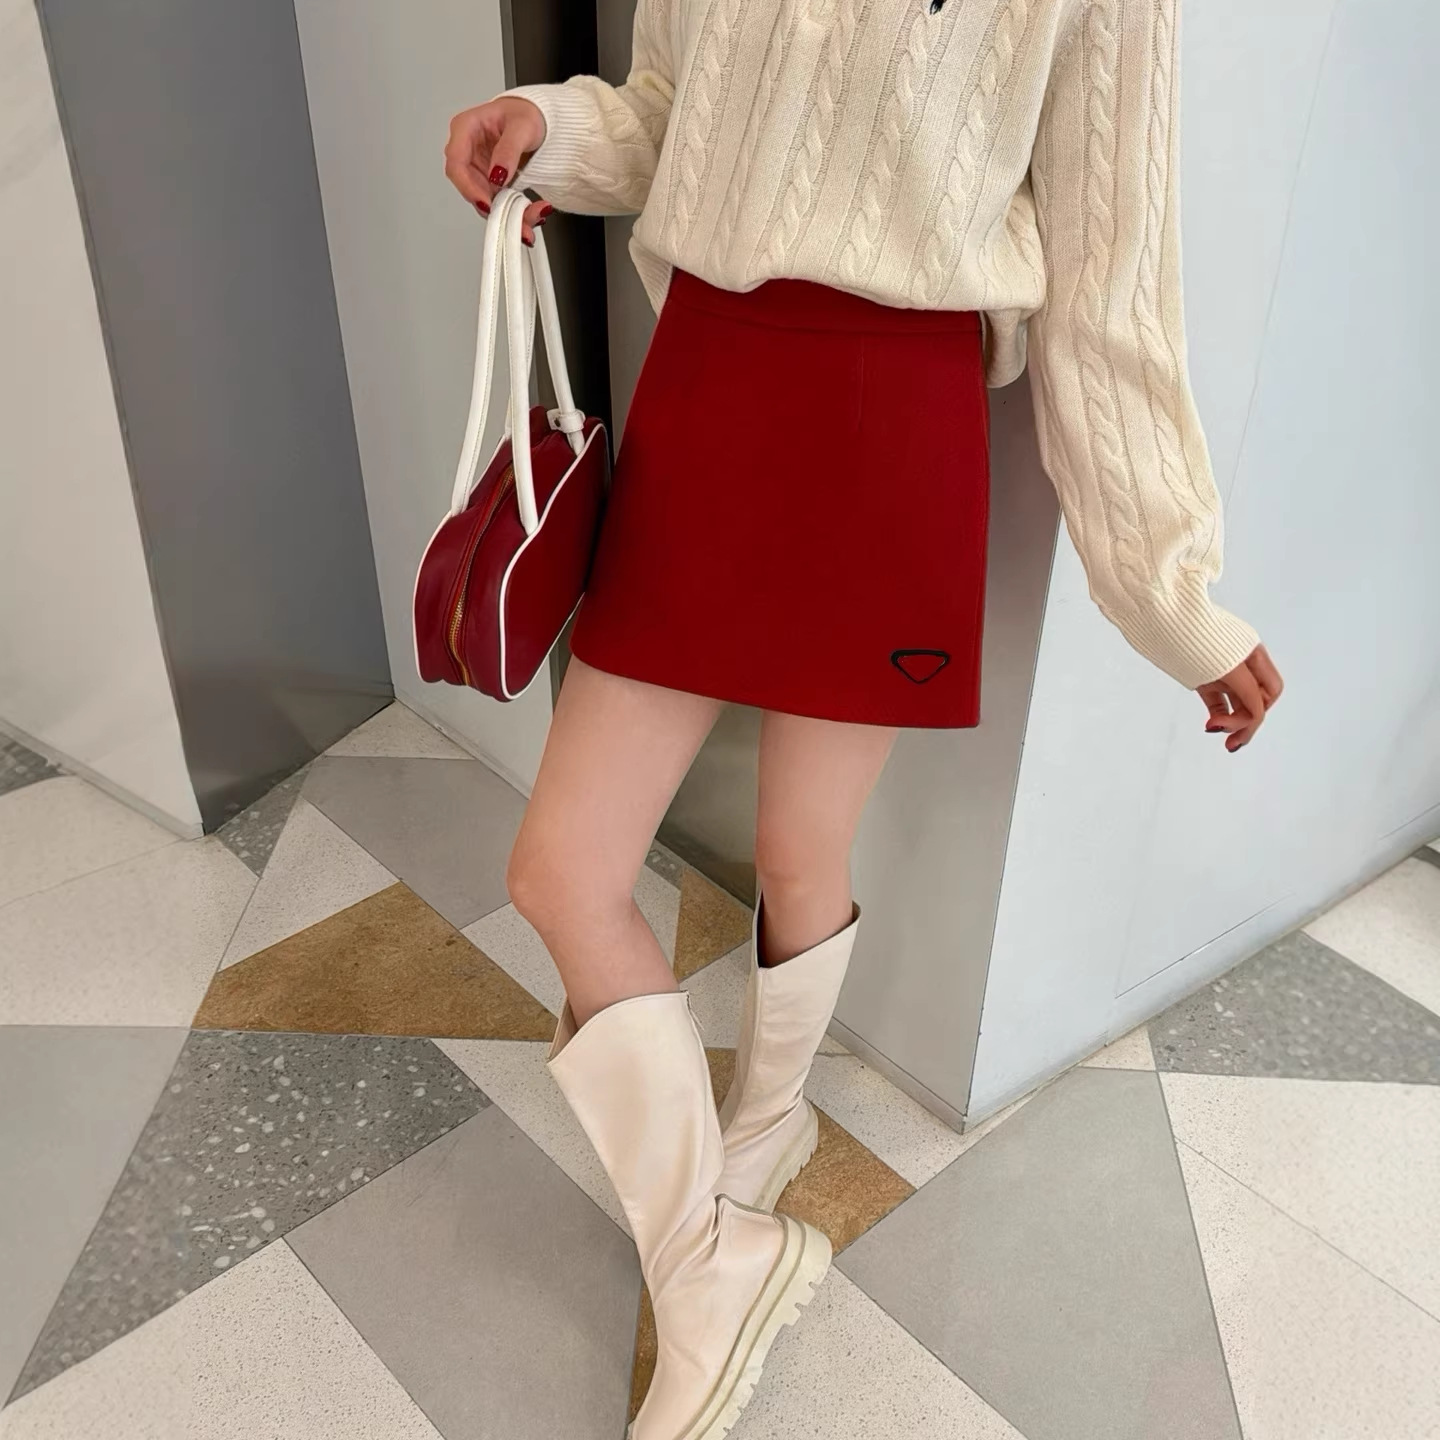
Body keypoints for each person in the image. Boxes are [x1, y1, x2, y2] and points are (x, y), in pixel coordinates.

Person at [444, 2, 1283, 1435]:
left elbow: (1111, 283)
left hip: (895, 413)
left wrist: (1171, 593)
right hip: (708, 384)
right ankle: (715, 1260)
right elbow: (675, 114)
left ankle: (767, 1131)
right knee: (561, 871)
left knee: (799, 850)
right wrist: (558, 128)